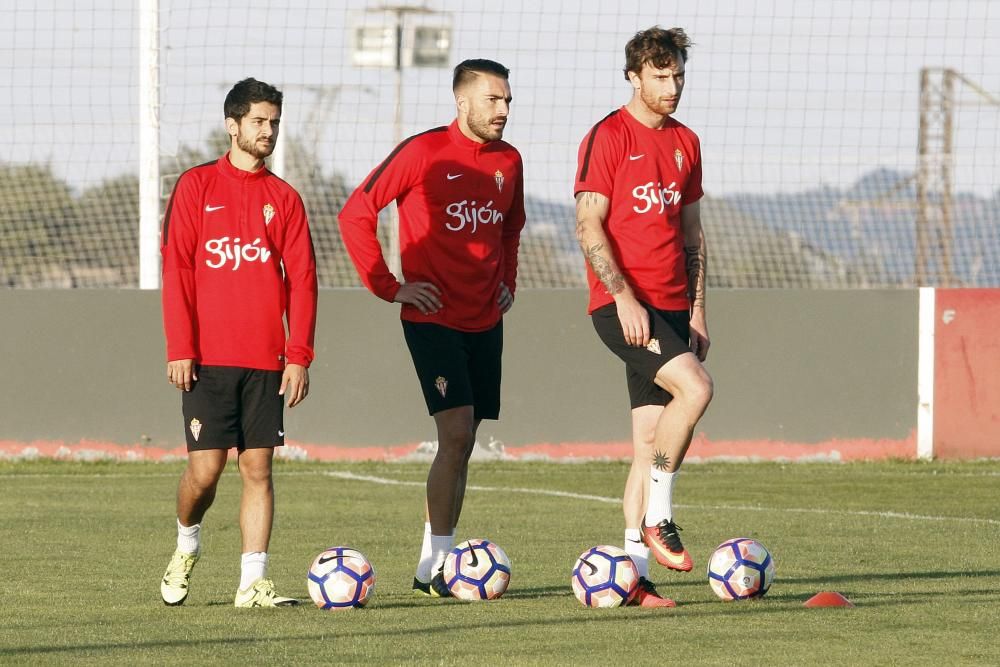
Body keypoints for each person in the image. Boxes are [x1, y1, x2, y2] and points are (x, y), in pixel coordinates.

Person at [338, 59, 525, 598]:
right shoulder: (423, 151)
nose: (504, 110)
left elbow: (511, 226)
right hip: (433, 316)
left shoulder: (509, 162)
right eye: (493, 100)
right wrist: (387, 284)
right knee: (458, 431)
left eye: (508, 100)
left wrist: (507, 279)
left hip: (484, 318)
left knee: (464, 443)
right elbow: (357, 211)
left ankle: (430, 570)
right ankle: (439, 564)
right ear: (462, 101)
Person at [159, 77, 318, 608]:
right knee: (205, 471)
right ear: (233, 125)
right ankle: (186, 542)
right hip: (206, 359)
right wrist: (180, 345)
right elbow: (177, 269)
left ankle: (253, 582)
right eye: (258, 121)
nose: (268, 130)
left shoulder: (285, 199)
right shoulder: (196, 186)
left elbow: (303, 280)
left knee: (258, 467)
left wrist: (299, 355)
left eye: (273, 121)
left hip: (266, 361)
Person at [573, 27, 713, 608]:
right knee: (698, 390)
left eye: (677, 74)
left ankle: (632, 580)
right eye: (660, 76)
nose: (672, 85)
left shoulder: (687, 142)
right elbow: (588, 225)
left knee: (647, 442)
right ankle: (660, 517)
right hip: (623, 306)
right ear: (633, 76)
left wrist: (698, 309)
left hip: (675, 308)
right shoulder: (608, 136)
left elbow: (691, 234)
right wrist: (624, 297)